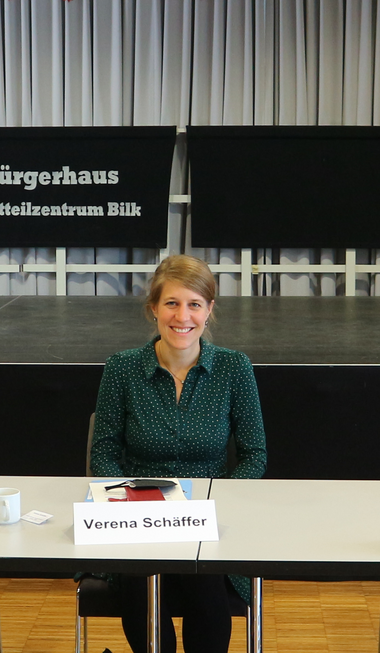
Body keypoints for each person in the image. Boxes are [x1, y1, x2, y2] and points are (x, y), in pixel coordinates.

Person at [89, 254, 267, 653]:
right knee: (140, 581)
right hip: (139, 516)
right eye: (171, 303)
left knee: (204, 578)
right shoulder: (122, 367)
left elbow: (255, 456)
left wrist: (209, 505)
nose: (182, 316)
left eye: (194, 304)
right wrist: (130, 502)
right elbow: (102, 453)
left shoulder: (234, 368)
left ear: (209, 310)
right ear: (153, 308)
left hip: (207, 517)